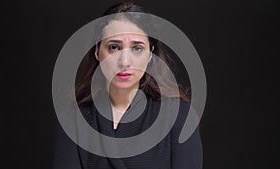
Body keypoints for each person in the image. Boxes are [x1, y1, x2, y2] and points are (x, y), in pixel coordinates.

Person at [53, 2, 202, 169]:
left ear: (150, 54)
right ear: (97, 51)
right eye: (114, 47)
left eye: (137, 48)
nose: (124, 62)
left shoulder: (178, 117)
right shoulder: (73, 121)